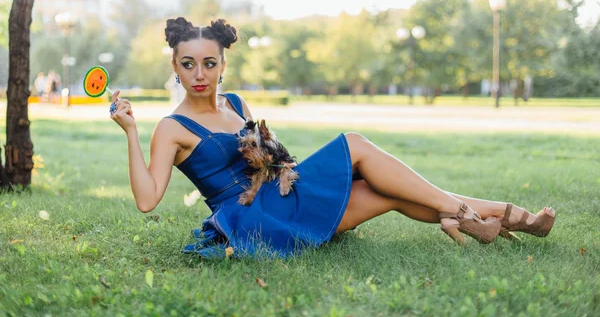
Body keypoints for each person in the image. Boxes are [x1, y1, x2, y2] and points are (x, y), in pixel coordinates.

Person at [109, 17, 556, 259]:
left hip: (284, 193)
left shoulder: (238, 104)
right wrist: (131, 131)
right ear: (174, 68)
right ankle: (475, 215)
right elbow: (147, 200)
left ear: (223, 64)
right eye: (188, 64)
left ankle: (498, 217)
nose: (199, 74)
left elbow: (276, 158)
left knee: (387, 192)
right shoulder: (170, 128)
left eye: (209, 63)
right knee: (355, 142)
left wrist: (277, 160)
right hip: (254, 220)